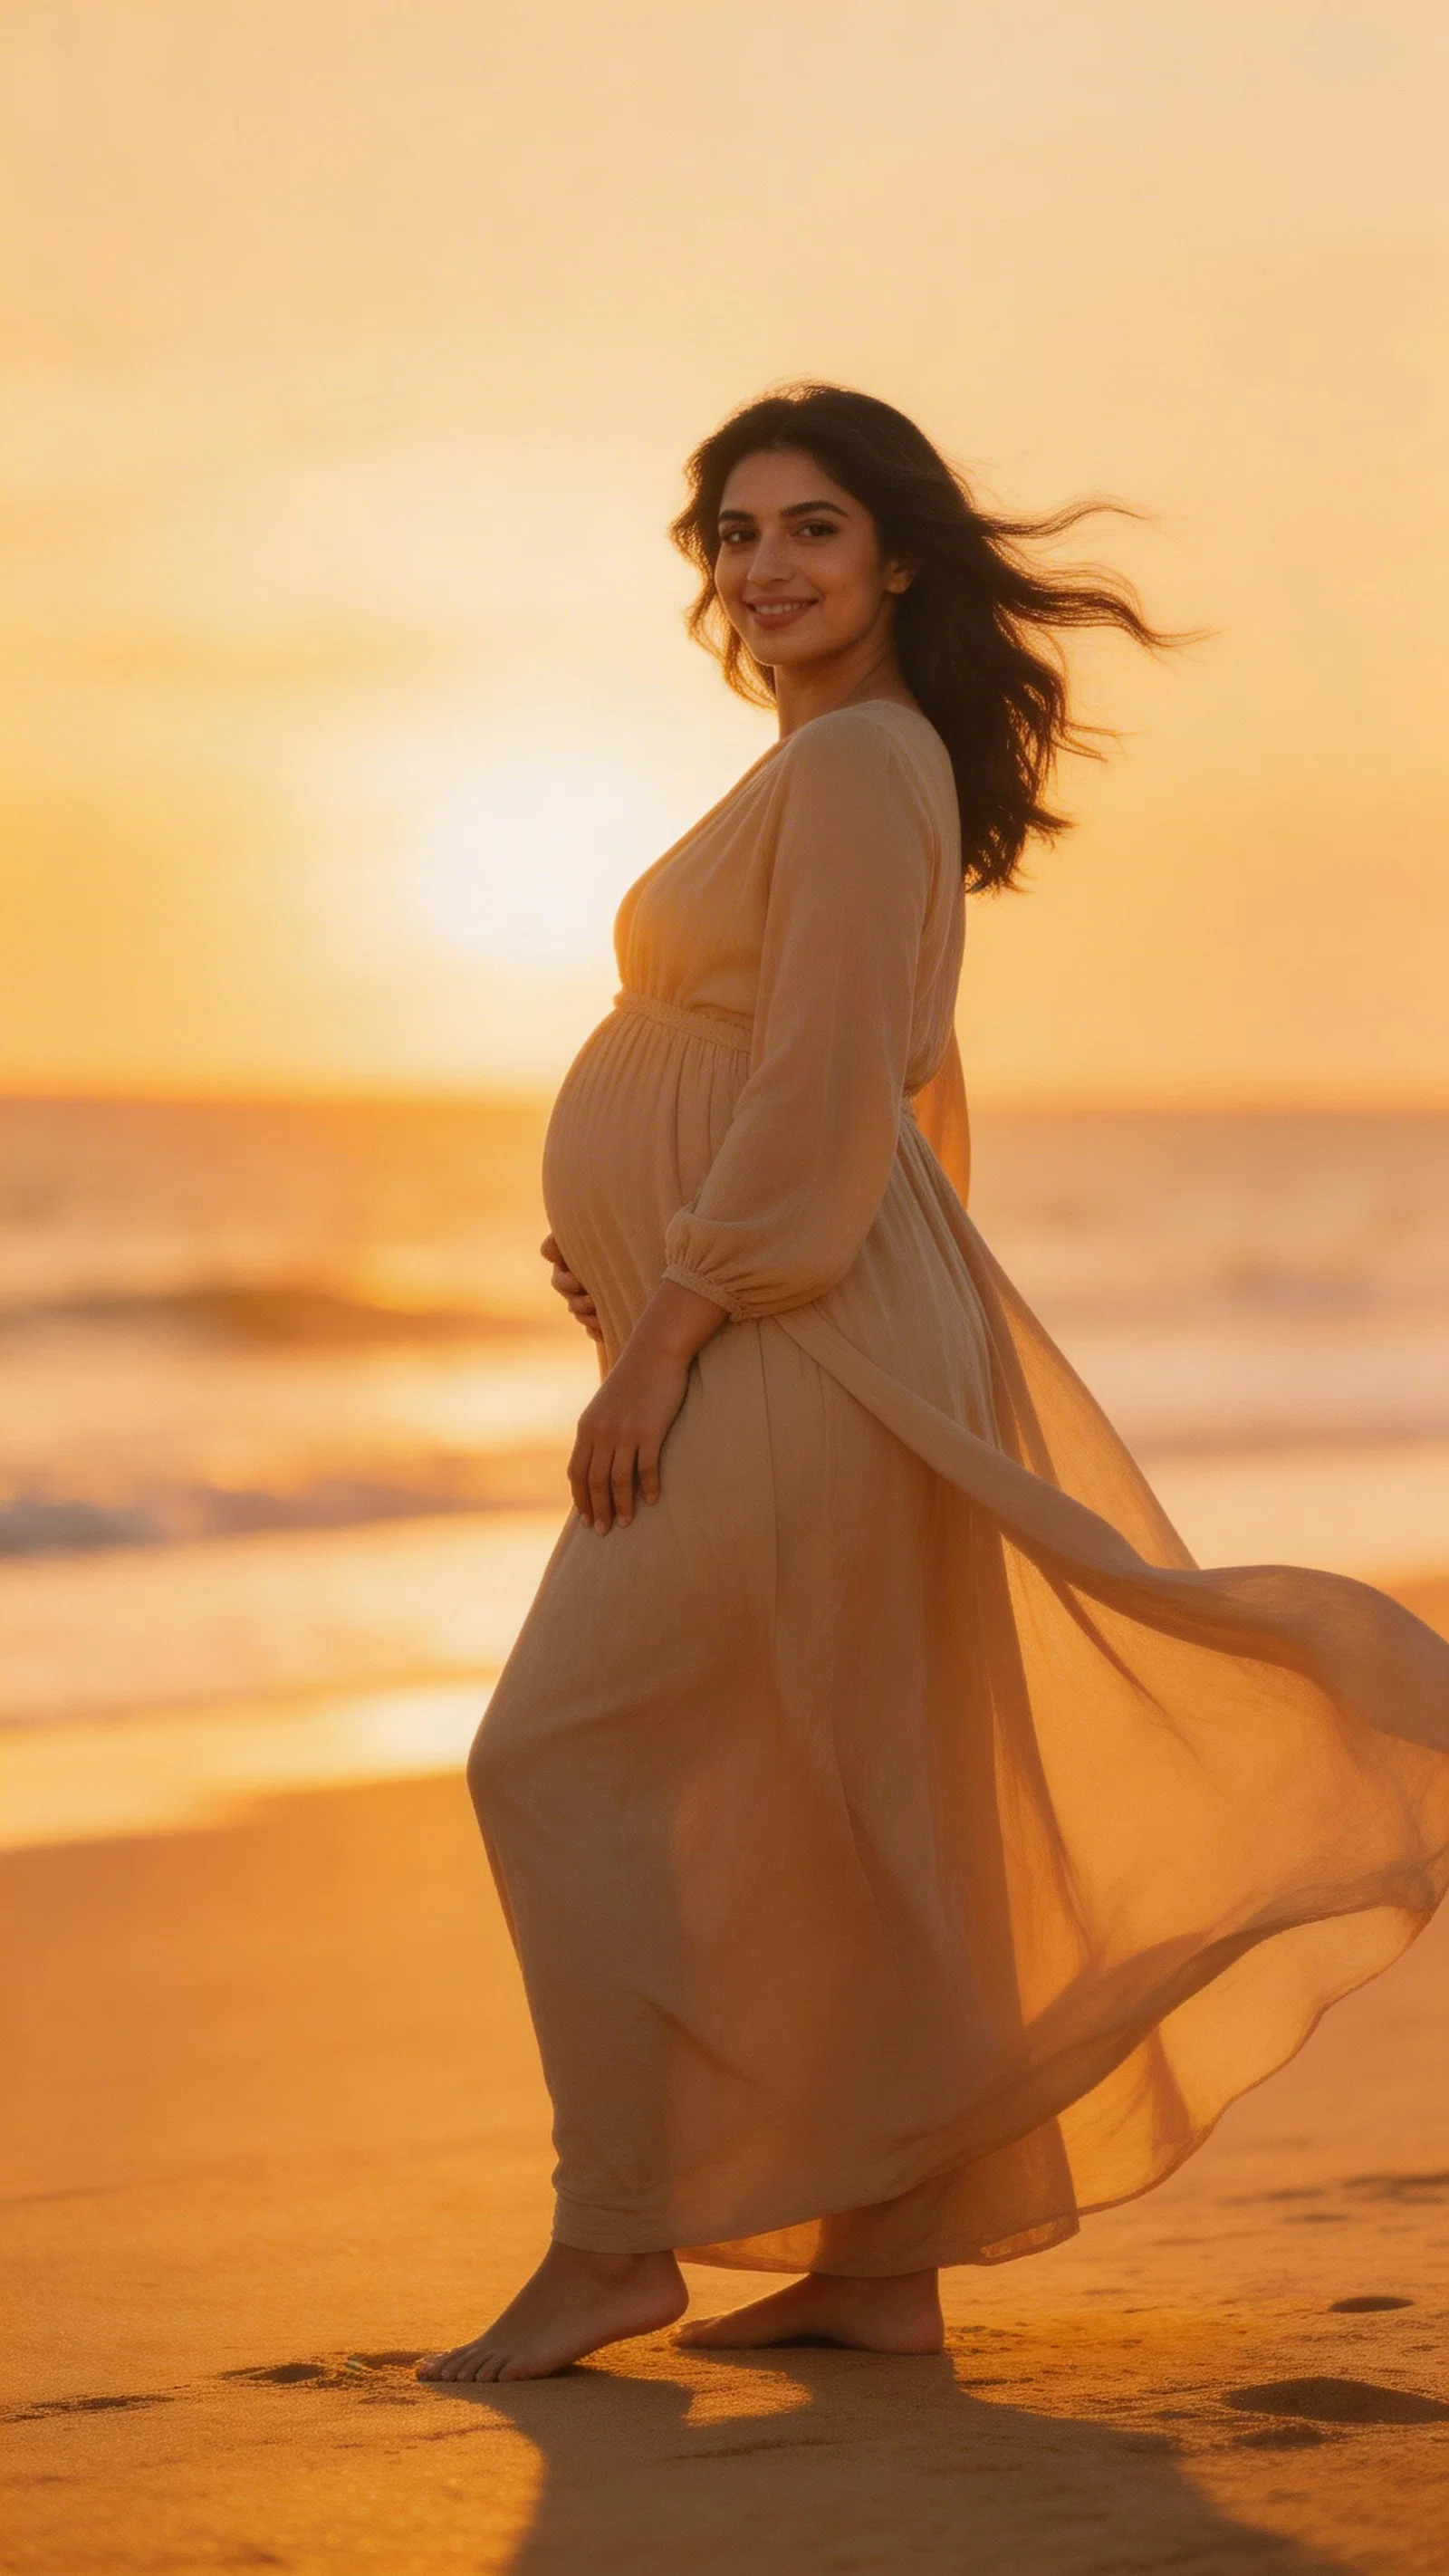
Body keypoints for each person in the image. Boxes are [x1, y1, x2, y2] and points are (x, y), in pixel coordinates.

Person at [418, 385, 1449, 2386]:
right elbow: (890, 1086)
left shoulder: (864, 761)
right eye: (730, 534)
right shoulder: (830, 764)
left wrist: (676, 1318)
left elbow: (822, 1090)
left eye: (809, 527)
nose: (764, 566)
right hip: (795, 1323)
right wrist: (649, 1254)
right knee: (844, 1791)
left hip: (782, 1346)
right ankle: (883, 2271)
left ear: (895, 556)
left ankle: (613, 2243)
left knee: (549, 1753)